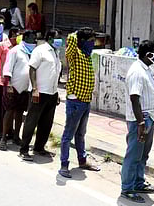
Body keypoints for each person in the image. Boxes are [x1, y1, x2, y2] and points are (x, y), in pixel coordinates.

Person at [120, 40, 154, 203]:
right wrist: (141, 123)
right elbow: (134, 98)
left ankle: (138, 182)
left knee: (143, 154)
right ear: (148, 54)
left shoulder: (146, 69)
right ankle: (127, 188)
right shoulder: (137, 71)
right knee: (133, 155)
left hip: (149, 118)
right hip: (141, 120)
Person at [59, 27, 100, 178]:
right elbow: (70, 38)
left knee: (81, 134)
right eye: (90, 41)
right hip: (75, 100)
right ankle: (64, 165)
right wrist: (78, 34)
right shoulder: (74, 54)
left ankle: (82, 160)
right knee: (68, 134)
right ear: (82, 41)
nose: (93, 43)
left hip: (85, 100)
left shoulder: (87, 55)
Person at [19, 29, 62, 161]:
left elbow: (55, 73)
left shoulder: (56, 52)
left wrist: (57, 92)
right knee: (32, 121)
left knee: (46, 122)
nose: (59, 40)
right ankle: (24, 149)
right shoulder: (40, 50)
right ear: (49, 38)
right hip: (40, 92)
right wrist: (35, 89)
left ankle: (39, 147)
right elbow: (32, 68)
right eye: (57, 38)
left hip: (52, 92)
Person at [0, 30, 37, 151]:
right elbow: (8, 67)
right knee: (9, 112)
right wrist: (9, 83)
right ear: (26, 38)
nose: (34, 40)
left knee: (20, 113)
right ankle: (4, 138)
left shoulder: (33, 52)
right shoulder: (15, 50)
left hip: (25, 88)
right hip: (13, 86)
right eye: (32, 37)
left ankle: (16, 136)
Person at [0, 27, 21, 141]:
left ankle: (10, 132)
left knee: (12, 110)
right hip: (1, 81)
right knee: (0, 109)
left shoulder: (19, 48)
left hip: (14, 82)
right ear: (13, 34)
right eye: (18, 34)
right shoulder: (2, 46)